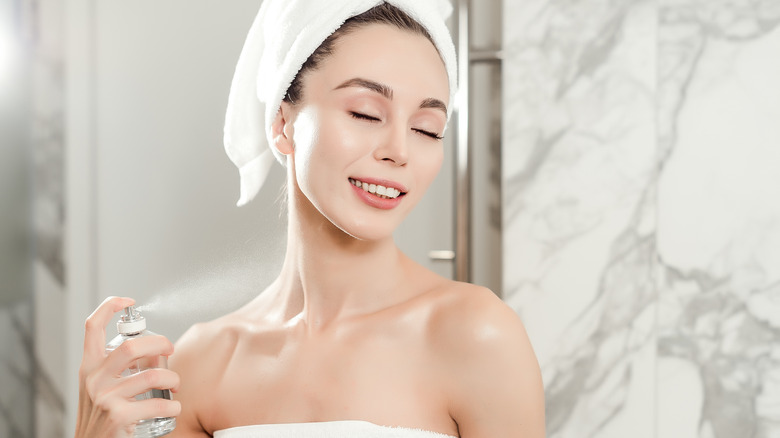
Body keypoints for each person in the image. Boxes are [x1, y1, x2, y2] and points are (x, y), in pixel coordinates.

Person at [74, 1, 545, 437]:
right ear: (282, 125)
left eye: (427, 129)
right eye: (365, 113)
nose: (400, 151)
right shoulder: (204, 361)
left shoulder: (474, 336)